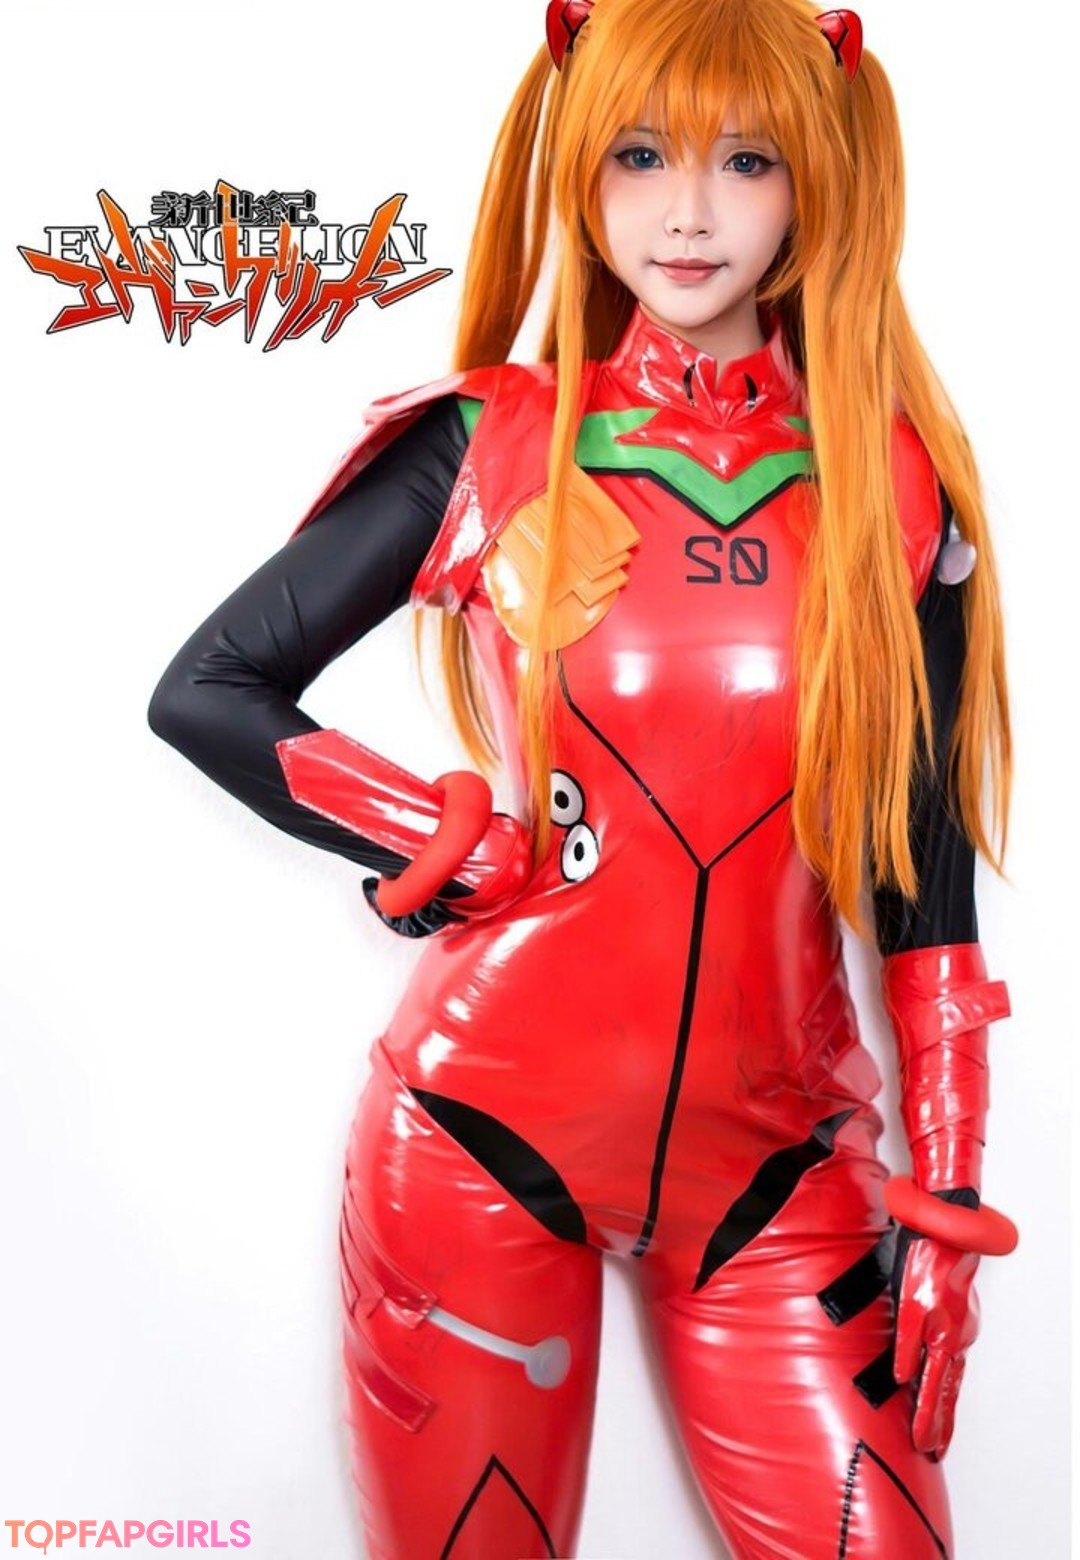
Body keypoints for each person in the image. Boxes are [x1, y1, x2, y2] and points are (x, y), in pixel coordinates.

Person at [147, 1, 1018, 1554]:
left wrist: (948, 1188)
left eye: (745, 162)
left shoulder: (894, 484)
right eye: (639, 156)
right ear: (578, 165)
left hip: (781, 1172)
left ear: (814, 177)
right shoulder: (494, 444)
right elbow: (208, 690)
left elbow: (920, 859)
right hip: (479, 1141)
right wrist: (438, 839)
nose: (687, 214)